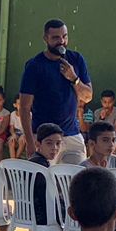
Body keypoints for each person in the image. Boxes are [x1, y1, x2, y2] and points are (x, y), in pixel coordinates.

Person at [17, 19, 93, 165]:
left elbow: (88, 96)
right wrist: (30, 142)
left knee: (76, 181)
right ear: (45, 38)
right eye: (56, 38)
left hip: (71, 135)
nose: (62, 41)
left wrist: (74, 78)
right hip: (44, 137)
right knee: (45, 184)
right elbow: (25, 108)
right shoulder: (35, 65)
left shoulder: (76, 60)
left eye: (64, 36)